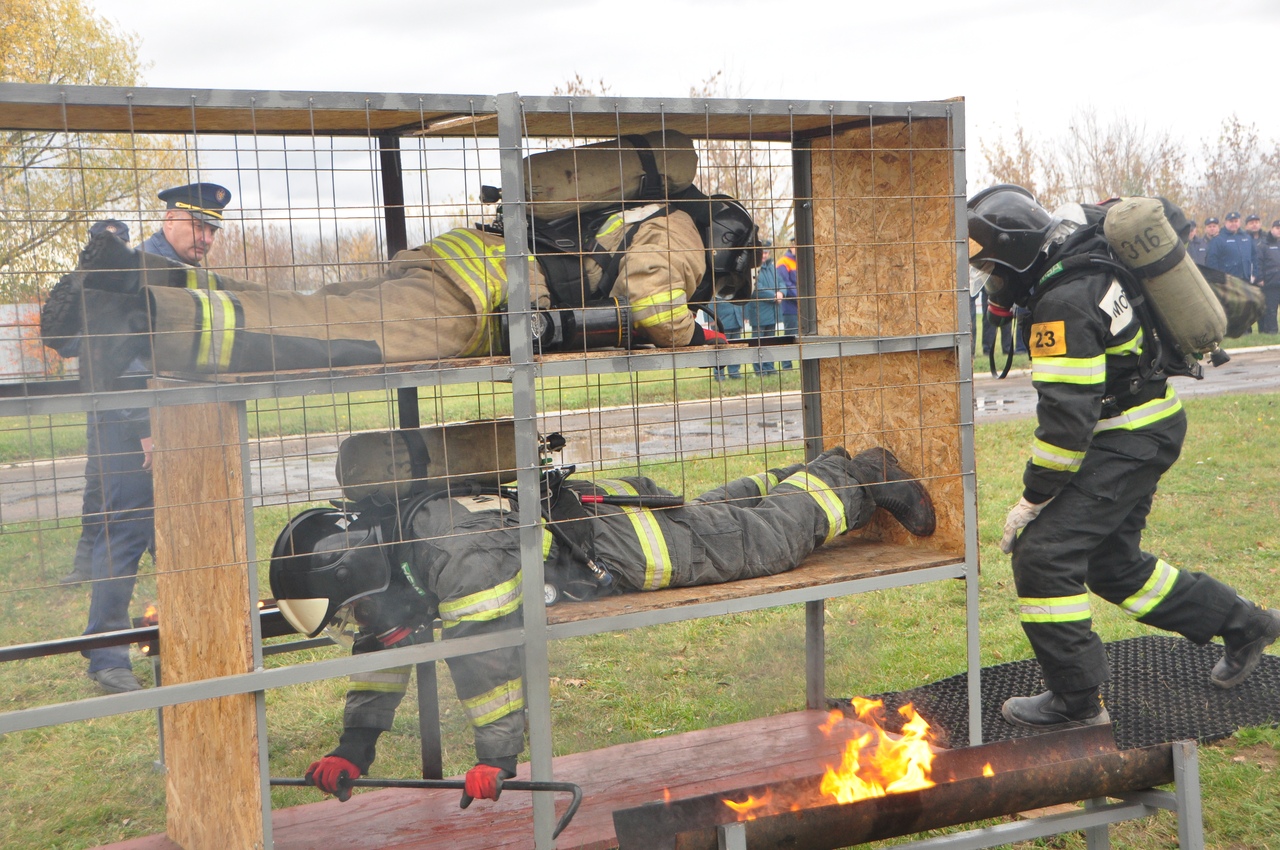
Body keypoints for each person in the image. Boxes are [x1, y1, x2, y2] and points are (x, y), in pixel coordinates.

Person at [270, 446, 936, 802]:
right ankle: (806, 474)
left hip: (620, 553)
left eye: (351, 608)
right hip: (592, 529)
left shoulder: (454, 559)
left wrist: (495, 760)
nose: (359, 620)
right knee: (719, 521)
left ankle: (859, 478)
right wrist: (354, 745)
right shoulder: (396, 551)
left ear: (361, 576)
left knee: (761, 544)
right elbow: (383, 642)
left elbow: (488, 667)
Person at [967, 184, 1280, 732]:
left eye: (994, 270)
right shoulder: (1078, 258)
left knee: (1043, 554)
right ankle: (1245, 624)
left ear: (1015, 258)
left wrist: (1033, 498)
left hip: (1128, 436)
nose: (995, 284)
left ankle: (1076, 700)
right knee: (1111, 566)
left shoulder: (1061, 306)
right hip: (1144, 423)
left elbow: (1067, 425)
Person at [42, 192, 758, 388]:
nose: (716, 284)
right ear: (728, 243)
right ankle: (130, 322)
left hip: (453, 267)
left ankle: (127, 276)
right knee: (323, 340)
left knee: (308, 312)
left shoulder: (636, 209)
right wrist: (692, 334)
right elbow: (652, 294)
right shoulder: (682, 231)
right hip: (466, 301)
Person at [75, 183, 232, 693]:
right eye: (198, 225)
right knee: (123, 537)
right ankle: (106, 656)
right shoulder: (135, 269)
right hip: (130, 430)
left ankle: (183, 634)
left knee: (181, 534)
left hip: (179, 426)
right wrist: (147, 429)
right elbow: (115, 358)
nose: (206, 237)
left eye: (213, 229)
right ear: (170, 218)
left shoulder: (188, 276)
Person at [750, 242, 783, 375]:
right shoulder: (753, 268)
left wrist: (782, 292)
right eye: (762, 252)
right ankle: (759, 370)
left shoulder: (771, 267)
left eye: (766, 252)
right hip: (759, 312)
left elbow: (781, 282)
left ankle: (770, 367)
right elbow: (756, 288)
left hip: (772, 312)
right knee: (758, 343)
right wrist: (774, 296)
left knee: (771, 341)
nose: (764, 255)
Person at [1205, 211, 1255, 284]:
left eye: (1236, 221)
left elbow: (1254, 257)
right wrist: (1217, 280)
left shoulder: (1247, 238)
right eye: (1231, 221)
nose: (1234, 223)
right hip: (1227, 281)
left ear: (1240, 222)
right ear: (1226, 223)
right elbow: (1211, 262)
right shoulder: (1218, 239)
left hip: (1246, 279)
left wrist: (1254, 274)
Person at [708, 294, 745, 379]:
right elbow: (710, 303)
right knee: (720, 350)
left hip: (736, 321)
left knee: (735, 349)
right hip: (722, 323)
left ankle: (734, 372)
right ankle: (719, 374)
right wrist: (712, 320)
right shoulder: (717, 285)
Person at [775, 241, 800, 369]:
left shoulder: (802, 260)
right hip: (790, 307)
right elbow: (786, 284)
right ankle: (786, 365)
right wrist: (801, 298)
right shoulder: (783, 262)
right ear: (791, 246)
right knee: (790, 335)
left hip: (803, 307)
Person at [1257, 219, 1280, 335]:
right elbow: (1259, 262)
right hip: (1270, 282)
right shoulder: (1264, 244)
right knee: (1271, 309)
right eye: (1277, 228)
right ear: (1272, 229)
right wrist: (1260, 278)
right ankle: (1272, 331)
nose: (1279, 231)